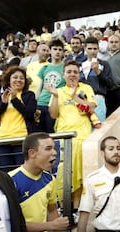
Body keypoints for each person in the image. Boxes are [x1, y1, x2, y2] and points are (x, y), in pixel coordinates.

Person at [46, 60, 99, 210]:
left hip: (82, 137)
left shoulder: (86, 88)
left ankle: (76, 209)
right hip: (63, 138)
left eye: (75, 72)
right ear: (63, 74)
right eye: (69, 72)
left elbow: (91, 108)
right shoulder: (59, 91)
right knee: (63, 175)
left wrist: (76, 96)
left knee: (79, 176)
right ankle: (63, 208)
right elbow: (53, 114)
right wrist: (55, 96)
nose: (72, 75)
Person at [0, 65, 37, 171]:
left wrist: (15, 99)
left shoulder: (29, 95)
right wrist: (3, 103)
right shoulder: (2, 96)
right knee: (5, 174)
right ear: (9, 80)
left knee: (22, 171)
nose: (18, 80)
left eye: (21, 78)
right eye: (15, 77)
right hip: (3, 139)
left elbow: (30, 115)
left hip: (22, 139)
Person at [80, 36, 114, 122]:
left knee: (98, 129)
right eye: (90, 48)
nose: (92, 51)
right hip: (81, 100)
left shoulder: (104, 64)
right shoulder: (79, 65)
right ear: (85, 48)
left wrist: (98, 72)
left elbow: (110, 84)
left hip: (98, 99)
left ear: (98, 49)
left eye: (95, 48)